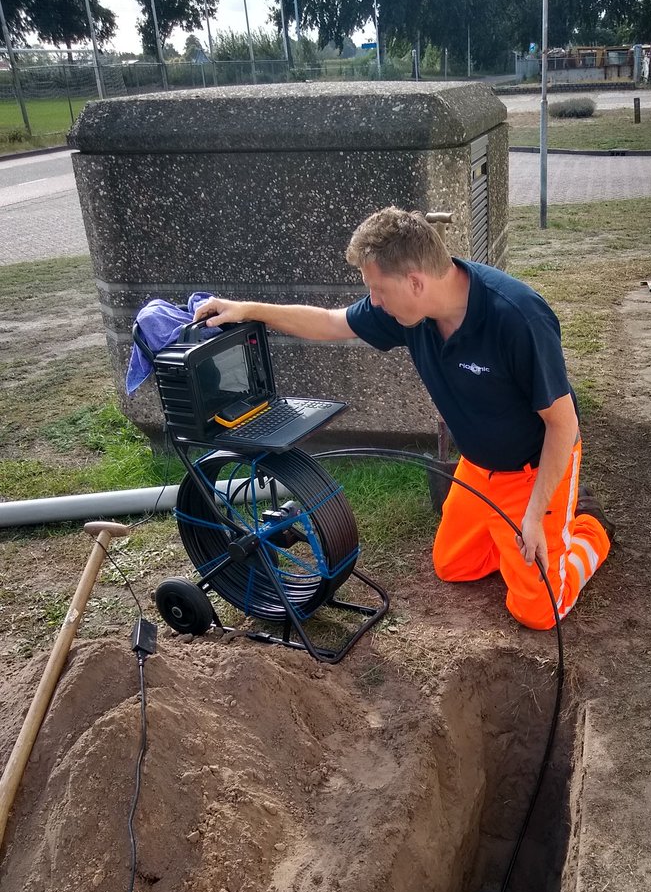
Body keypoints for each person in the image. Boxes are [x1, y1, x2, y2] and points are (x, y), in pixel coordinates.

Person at [194, 207, 613, 631]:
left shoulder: (518, 317)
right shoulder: (412, 311)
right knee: (453, 565)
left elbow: (563, 424)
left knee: (538, 611)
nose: (374, 302)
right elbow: (330, 322)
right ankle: (520, 532)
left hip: (532, 468)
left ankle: (588, 528)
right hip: (479, 466)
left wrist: (534, 515)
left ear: (415, 281)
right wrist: (247, 309)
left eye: (378, 290)